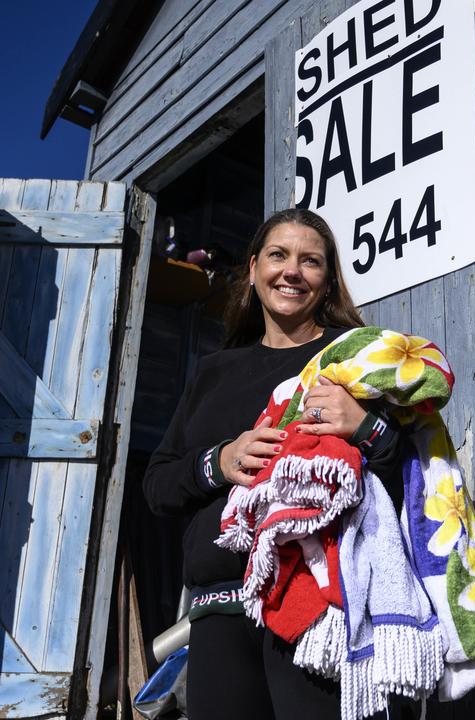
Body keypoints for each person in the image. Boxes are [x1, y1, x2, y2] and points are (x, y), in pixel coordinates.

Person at [142, 208, 406, 720]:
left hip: (318, 612)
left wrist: (365, 426)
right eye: (279, 255)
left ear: (327, 281)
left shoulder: (353, 358)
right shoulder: (213, 373)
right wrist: (219, 462)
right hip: (219, 613)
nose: (292, 271)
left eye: (311, 261)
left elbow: (402, 480)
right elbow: (157, 485)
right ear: (254, 267)